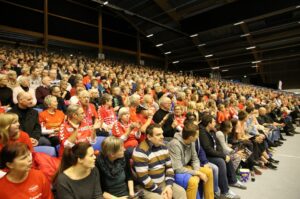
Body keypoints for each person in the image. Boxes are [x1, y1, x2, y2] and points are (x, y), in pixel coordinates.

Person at [132, 124, 187, 199]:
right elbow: (144, 178)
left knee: (181, 192)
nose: (162, 137)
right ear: (149, 137)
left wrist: (169, 186)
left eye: (162, 133)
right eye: (158, 135)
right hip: (145, 187)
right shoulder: (140, 151)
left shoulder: (163, 146)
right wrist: (160, 191)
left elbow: (169, 168)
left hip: (163, 183)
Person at [199, 114, 245, 199]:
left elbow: (218, 145)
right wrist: (222, 156)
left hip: (212, 154)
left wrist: (223, 155)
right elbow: (207, 149)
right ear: (209, 123)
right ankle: (225, 192)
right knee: (221, 161)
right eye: (213, 122)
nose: (215, 123)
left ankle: (232, 181)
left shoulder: (211, 130)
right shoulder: (202, 133)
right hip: (205, 156)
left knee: (226, 157)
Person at [168, 122, 214, 199]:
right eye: (197, 135)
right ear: (190, 137)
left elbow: (195, 159)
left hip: (186, 167)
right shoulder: (174, 144)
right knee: (194, 181)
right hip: (175, 171)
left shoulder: (192, 141)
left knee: (208, 172)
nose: (198, 137)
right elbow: (177, 168)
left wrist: (197, 172)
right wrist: (197, 173)